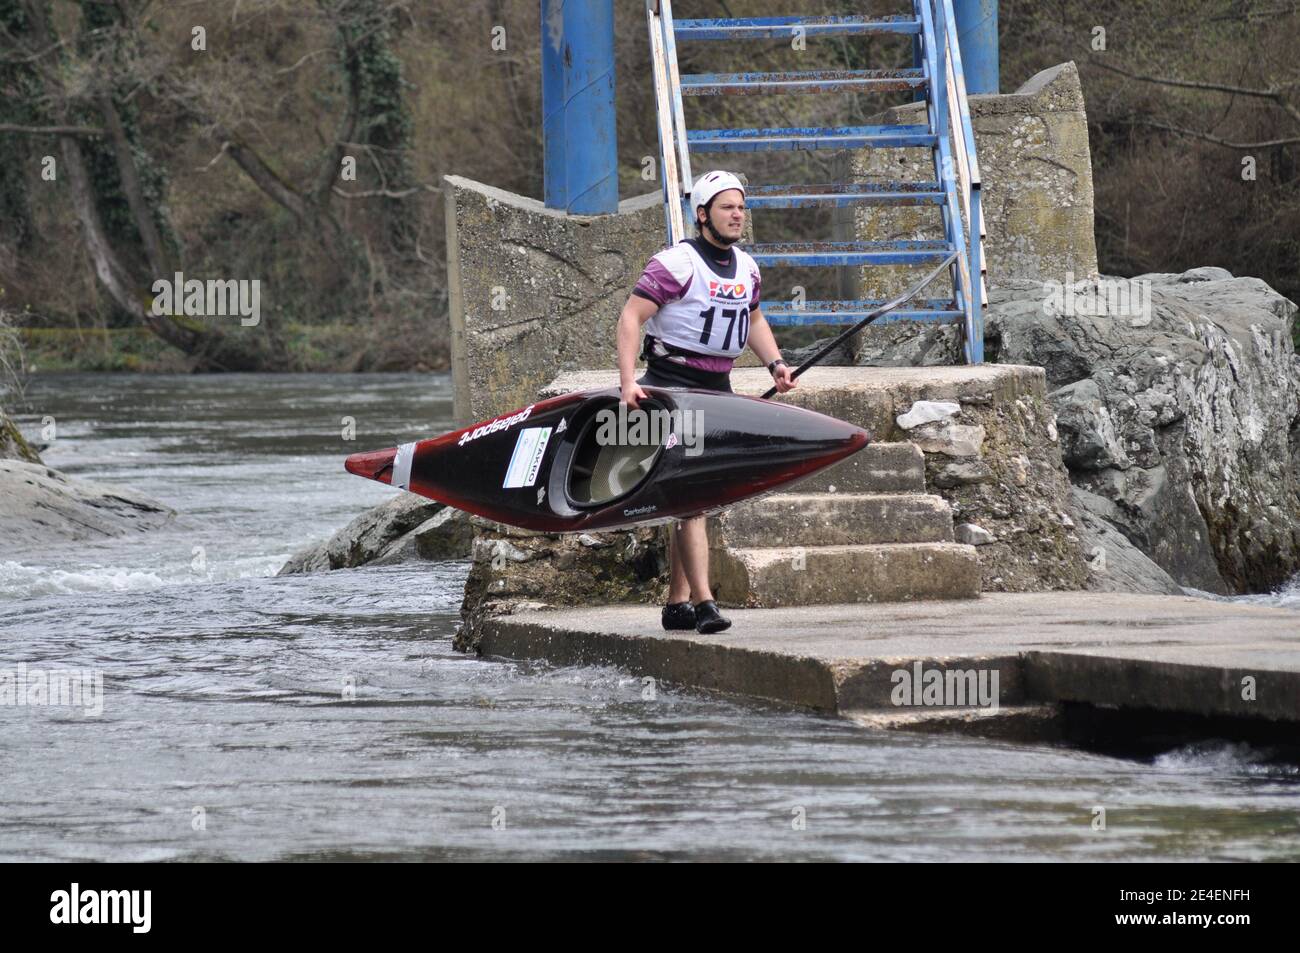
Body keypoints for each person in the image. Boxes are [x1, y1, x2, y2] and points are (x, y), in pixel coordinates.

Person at [615, 170, 797, 635]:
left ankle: (676, 603)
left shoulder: (748, 268)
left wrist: (775, 363)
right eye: (726, 207)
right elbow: (631, 317)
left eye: (741, 207)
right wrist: (627, 382)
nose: (737, 215)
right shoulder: (675, 264)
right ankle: (705, 603)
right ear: (702, 214)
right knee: (693, 500)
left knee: (689, 500)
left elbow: (752, 318)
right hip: (671, 390)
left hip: (718, 390)